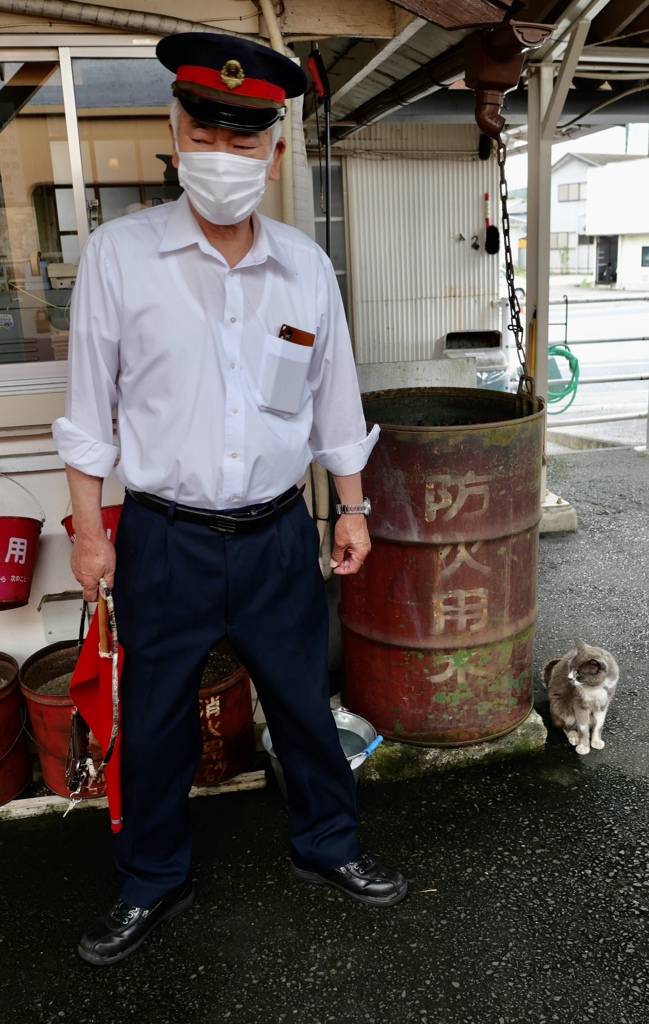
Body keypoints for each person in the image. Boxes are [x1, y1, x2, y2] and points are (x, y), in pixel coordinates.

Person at [53, 31, 407, 967]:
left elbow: (336, 401)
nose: (225, 153)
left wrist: (354, 508)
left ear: (276, 151)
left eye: (246, 137)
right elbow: (88, 415)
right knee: (158, 720)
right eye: (207, 130)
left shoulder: (303, 268)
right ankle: (151, 882)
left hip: (275, 536)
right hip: (164, 538)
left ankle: (329, 846)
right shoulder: (121, 259)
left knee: (303, 703)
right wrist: (90, 534)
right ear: (177, 131)